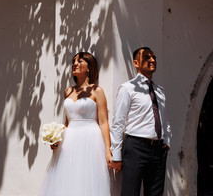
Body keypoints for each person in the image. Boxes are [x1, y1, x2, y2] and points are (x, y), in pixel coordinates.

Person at [39, 52, 112, 196]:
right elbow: (66, 122)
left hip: (90, 138)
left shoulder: (97, 91)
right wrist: (56, 140)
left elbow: (103, 122)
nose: (75, 64)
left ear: (89, 67)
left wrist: (108, 150)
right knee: (67, 178)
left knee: (87, 179)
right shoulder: (68, 91)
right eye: (73, 61)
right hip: (69, 140)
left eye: (80, 61)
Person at [110, 47, 172, 196]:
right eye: (147, 57)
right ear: (136, 63)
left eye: (154, 57)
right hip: (135, 148)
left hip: (158, 150)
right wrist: (116, 156)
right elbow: (118, 123)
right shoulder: (128, 88)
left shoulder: (160, 90)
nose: (152, 60)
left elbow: (165, 119)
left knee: (155, 193)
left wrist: (167, 142)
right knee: (130, 192)